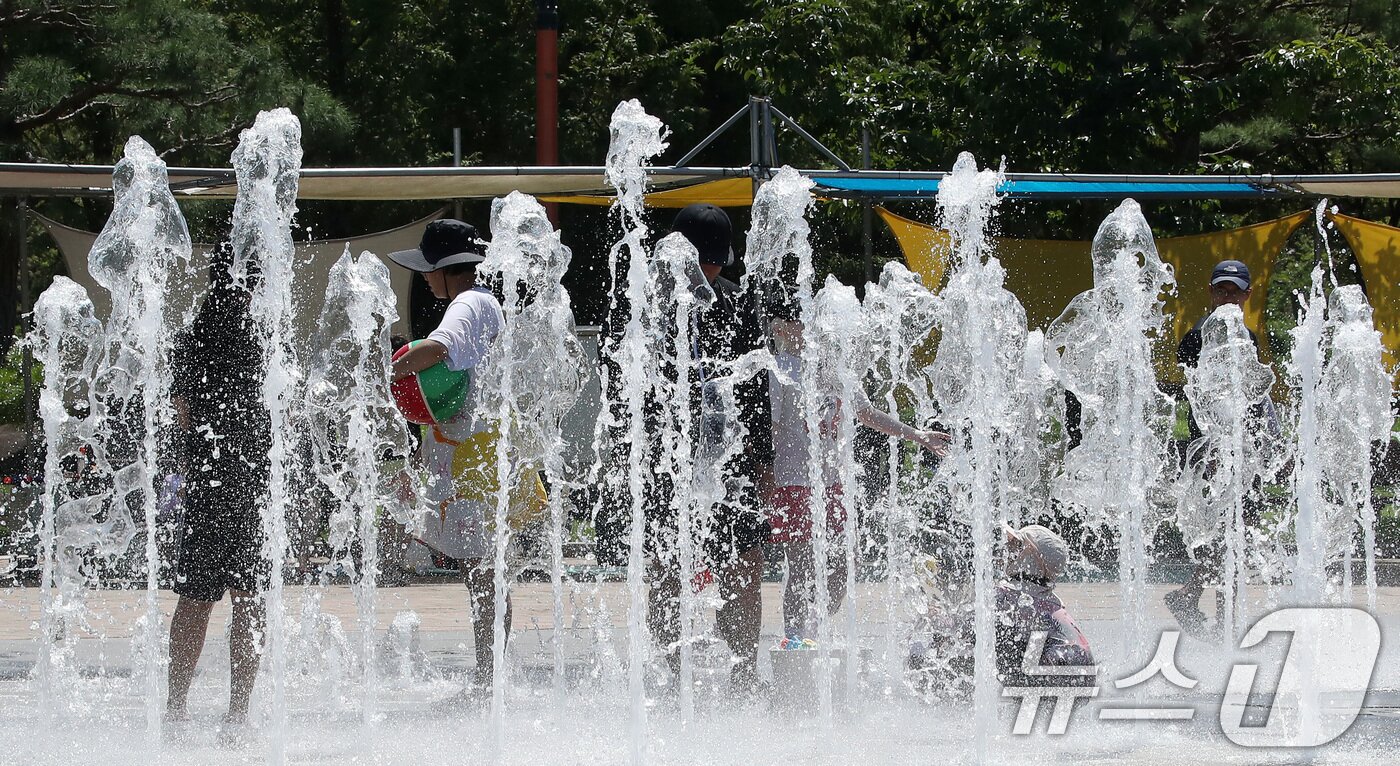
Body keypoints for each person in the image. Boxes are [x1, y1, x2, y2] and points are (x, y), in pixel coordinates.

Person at [388, 219, 545, 702]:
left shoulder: (467, 303)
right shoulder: (482, 303)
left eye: (428, 268)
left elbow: (437, 349)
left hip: (474, 457)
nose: (424, 278)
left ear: (446, 268)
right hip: (477, 451)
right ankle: (489, 672)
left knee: (482, 571)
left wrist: (386, 373)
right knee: (482, 570)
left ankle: (489, 677)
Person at [764, 303, 952, 641]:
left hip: (831, 484)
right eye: (799, 322)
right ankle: (795, 638)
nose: (808, 328)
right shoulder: (780, 369)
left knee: (848, 560)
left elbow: (868, 414)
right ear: (781, 329)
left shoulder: (833, 370)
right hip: (794, 481)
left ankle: (814, 627)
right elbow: (772, 428)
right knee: (801, 565)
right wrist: (767, 477)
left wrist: (918, 435)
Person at [645, 203, 772, 691]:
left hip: (729, 459)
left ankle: (744, 670)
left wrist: (763, 461)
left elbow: (755, 390)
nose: (710, 272)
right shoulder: (647, 307)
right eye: (704, 262)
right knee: (666, 568)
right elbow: (622, 383)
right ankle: (669, 672)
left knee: (742, 566)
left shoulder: (736, 304)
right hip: (666, 458)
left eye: (716, 264)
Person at [166, 244, 271, 726]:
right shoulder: (267, 336)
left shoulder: (192, 337)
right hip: (254, 484)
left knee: (195, 599)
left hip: (209, 483)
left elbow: (184, 415)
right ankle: (237, 714)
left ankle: (175, 708)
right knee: (249, 599)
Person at [1167, 259, 1279, 636]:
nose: (1227, 296)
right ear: (1211, 293)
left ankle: (1200, 602)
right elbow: (1202, 397)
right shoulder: (1199, 335)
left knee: (1235, 536)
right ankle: (1221, 619)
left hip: (1241, 450)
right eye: (1221, 289)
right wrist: (1215, 452)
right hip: (1213, 453)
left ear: (1248, 295)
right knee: (1226, 535)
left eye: (1234, 290)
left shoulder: (1247, 337)